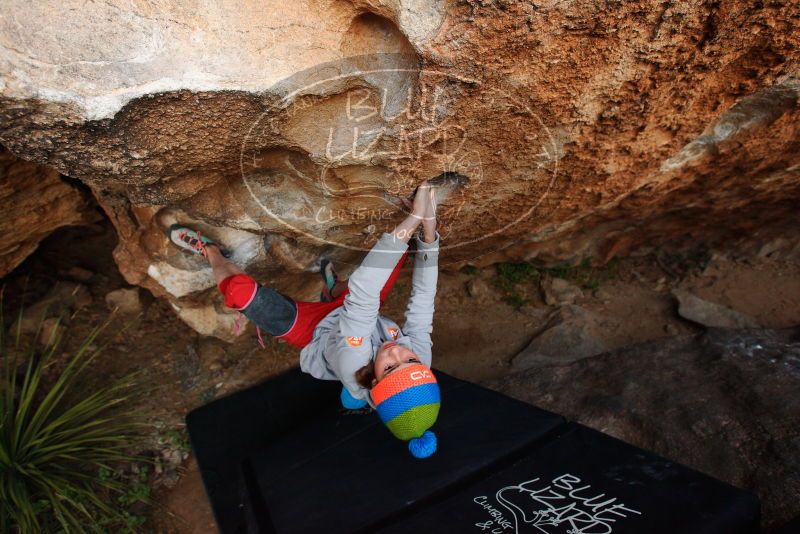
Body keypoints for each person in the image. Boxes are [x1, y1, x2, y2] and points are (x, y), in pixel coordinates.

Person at [169, 179, 443, 458]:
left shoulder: (354, 363)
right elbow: (424, 297)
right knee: (397, 254)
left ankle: (211, 252)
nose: (396, 352)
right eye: (411, 361)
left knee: (239, 292)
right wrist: (429, 230)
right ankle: (331, 290)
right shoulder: (421, 359)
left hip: (316, 329)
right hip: (359, 314)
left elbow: (365, 292)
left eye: (390, 367)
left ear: (374, 382)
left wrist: (414, 218)